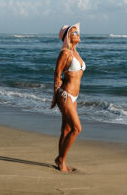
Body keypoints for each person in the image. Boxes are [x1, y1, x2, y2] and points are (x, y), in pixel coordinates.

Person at [51, 22, 86, 172]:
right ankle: (61, 159)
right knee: (77, 129)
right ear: (67, 37)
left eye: (77, 32)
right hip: (65, 95)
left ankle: (61, 160)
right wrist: (55, 96)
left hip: (74, 97)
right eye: (74, 33)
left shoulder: (76, 53)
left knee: (66, 130)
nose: (77, 34)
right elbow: (57, 74)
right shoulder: (65, 53)